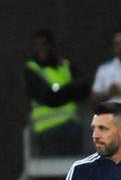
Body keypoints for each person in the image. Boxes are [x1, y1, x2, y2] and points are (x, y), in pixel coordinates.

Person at [26, 28, 88, 156]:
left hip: (71, 126)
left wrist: (61, 93)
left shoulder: (65, 65)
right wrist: (69, 91)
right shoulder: (32, 69)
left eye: (44, 44)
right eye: (38, 45)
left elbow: (84, 89)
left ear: (51, 46)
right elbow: (47, 97)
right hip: (46, 129)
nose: (42, 48)